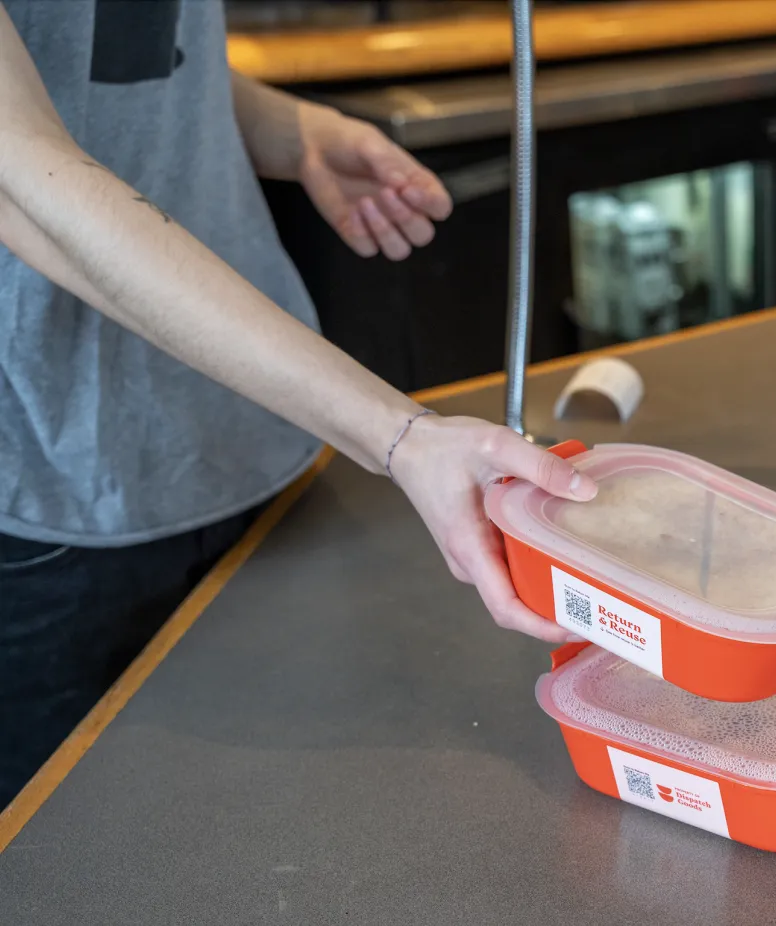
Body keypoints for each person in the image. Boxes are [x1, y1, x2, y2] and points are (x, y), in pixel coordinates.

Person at [0, 0, 594, 809]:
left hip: (255, 446)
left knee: (289, 824)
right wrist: (401, 436)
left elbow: (123, 46)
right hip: (54, 493)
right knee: (88, 851)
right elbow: (21, 177)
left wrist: (293, 130)